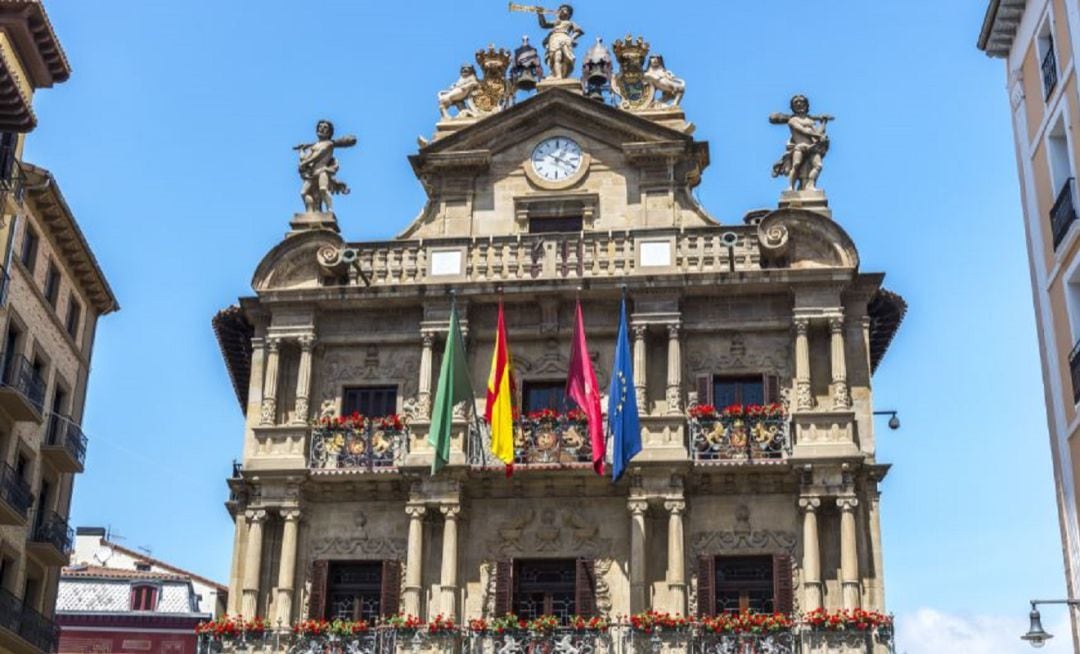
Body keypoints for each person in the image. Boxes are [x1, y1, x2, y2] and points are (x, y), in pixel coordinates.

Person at [770, 95, 832, 192]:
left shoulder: (811, 121)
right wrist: (819, 136)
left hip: (812, 147)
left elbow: (818, 133)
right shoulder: (792, 120)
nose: (799, 104)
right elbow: (803, 131)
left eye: (801, 102)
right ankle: (790, 187)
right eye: (796, 103)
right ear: (792, 107)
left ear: (806, 105)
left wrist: (823, 123)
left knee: (818, 166)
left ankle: (810, 186)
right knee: (796, 165)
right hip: (800, 147)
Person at [295, 120, 357, 213]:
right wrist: (301, 151)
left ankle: (329, 209)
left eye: (325, 128)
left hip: (322, 170)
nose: (321, 129)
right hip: (312, 174)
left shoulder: (329, 144)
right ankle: (311, 211)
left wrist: (304, 163)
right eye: (320, 127)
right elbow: (305, 158)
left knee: (323, 189)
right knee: (303, 193)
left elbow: (318, 155)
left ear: (329, 132)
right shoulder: (315, 145)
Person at [536, 4, 583, 79]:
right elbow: (543, 24)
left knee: (564, 57)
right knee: (554, 56)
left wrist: (572, 38)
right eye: (561, 9)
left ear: (569, 14)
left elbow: (579, 31)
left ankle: (561, 75)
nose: (562, 10)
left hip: (564, 38)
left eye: (565, 10)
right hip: (554, 39)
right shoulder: (556, 22)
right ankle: (556, 75)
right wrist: (540, 14)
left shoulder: (569, 23)